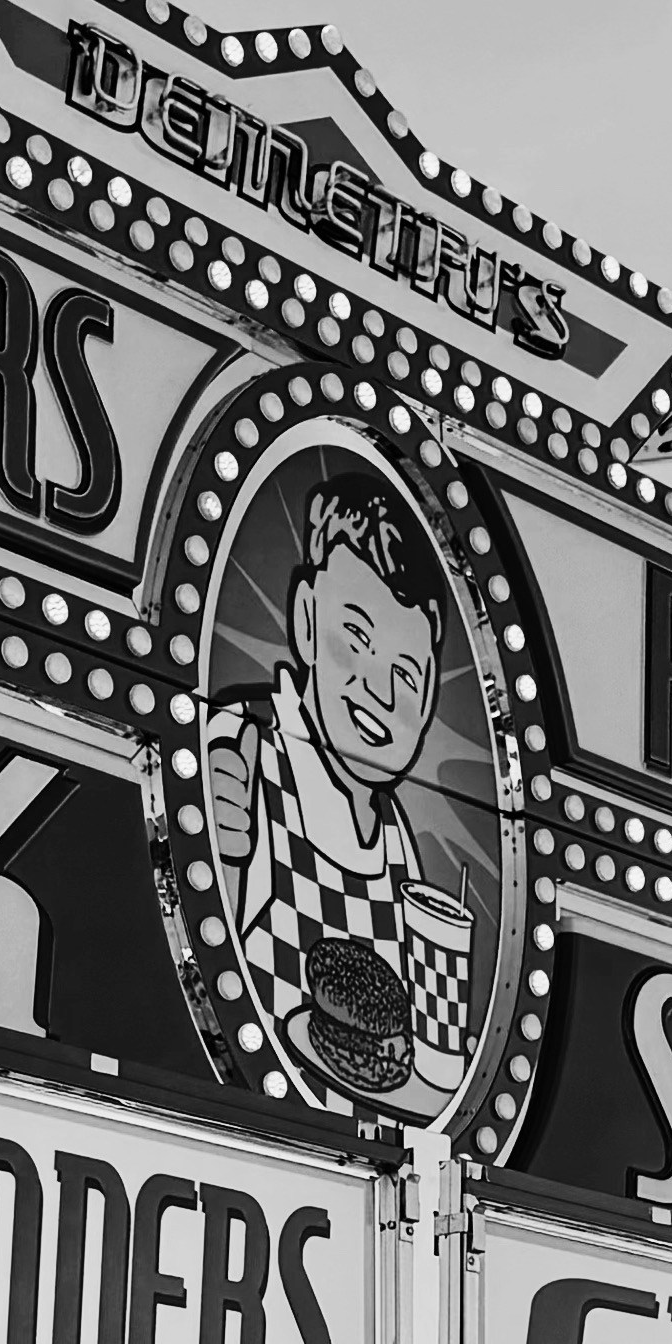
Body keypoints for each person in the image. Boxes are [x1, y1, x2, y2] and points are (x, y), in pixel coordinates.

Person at [202, 468, 475, 1116]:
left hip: (367, 1165)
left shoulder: (397, 841)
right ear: (303, 619)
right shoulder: (247, 744)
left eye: (407, 673)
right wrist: (224, 837)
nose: (382, 692)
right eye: (356, 639)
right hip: (254, 1126)